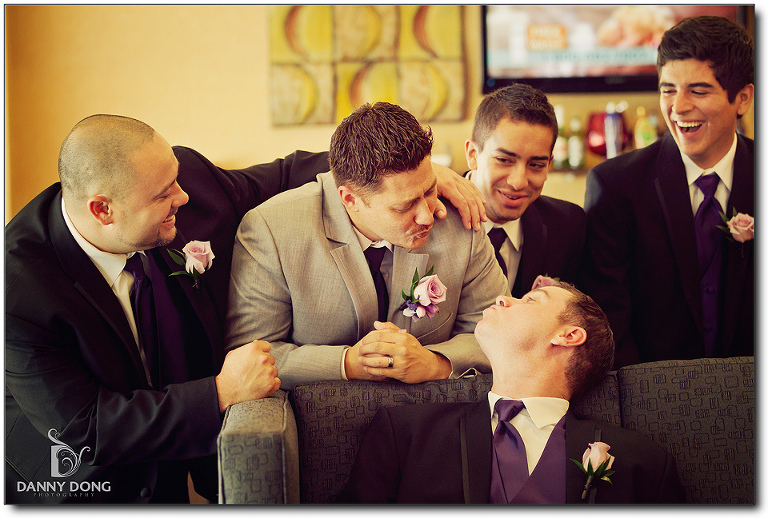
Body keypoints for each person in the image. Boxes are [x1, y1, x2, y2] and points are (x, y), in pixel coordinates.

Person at [5, 113, 487, 504]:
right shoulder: (20, 290)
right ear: (103, 211)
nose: (184, 197)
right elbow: (85, 429)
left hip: (177, 473)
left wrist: (414, 178)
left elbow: (292, 172)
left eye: (175, 179)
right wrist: (219, 392)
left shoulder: (187, 185)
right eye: (164, 195)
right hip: (74, 482)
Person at [226, 102, 509, 390]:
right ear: (350, 200)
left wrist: (435, 363)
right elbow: (249, 357)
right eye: (404, 206)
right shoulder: (272, 231)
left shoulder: (461, 222)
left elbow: (503, 334)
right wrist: (348, 364)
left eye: (430, 190)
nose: (427, 216)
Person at [341, 282, 686, 504]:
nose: (503, 298)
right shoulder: (404, 432)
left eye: (531, 299)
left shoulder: (642, 462)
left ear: (568, 336)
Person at [579, 16, 754, 368]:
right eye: (668, 89)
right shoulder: (615, 186)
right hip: (650, 390)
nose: (679, 107)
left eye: (698, 91)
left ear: (742, 99)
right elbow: (608, 323)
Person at [465, 83, 585, 296]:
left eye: (536, 165)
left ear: (549, 165)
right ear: (473, 155)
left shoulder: (567, 226)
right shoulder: (429, 219)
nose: (519, 182)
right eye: (504, 160)